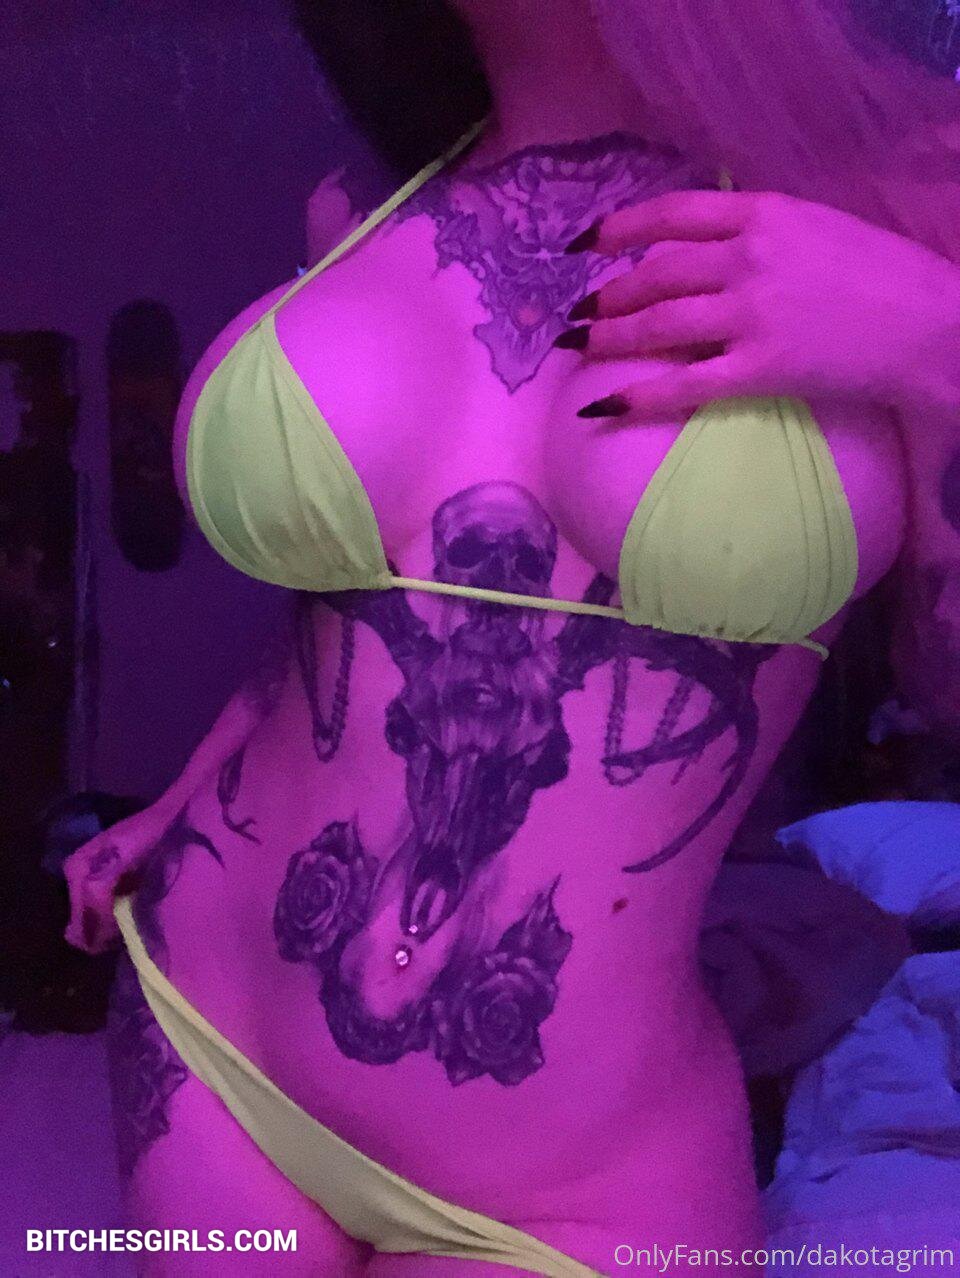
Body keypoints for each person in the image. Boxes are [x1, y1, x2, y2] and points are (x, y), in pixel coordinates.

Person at [64, 1, 960, 1273]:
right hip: (208, 1032)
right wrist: (182, 794)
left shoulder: (912, 188)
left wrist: (937, 340)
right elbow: (349, 614)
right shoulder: (361, 205)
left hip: (582, 1178)